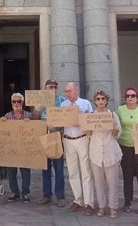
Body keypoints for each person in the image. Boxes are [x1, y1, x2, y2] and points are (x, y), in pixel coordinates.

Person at [61, 81, 95, 216]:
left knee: (86, 171)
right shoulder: (63, 105)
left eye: (69, 91)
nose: (67, 94)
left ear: (76, 91)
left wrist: (80, 119)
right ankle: (78, 200)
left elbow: (91, 121)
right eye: (66, 91)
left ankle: (89, 203)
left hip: (82, 139)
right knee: (72, 171)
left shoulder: (85, 104)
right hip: (68, 140)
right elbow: (58, 120)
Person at [32, 79, 67, 207]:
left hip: (57, 138)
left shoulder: (62, 101)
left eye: (54, 87)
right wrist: (36, 109)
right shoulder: (39, 102)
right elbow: (34, 120)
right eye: (49, 87)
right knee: (45, 169)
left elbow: (67, 119)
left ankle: (60, 197)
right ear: (45, 88)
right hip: (43, 138)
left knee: (59, 170)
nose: (52, 89)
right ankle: (46, 194)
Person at [89, 90, 122, 218]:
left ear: (106, 101)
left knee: (113, 182)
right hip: (96, 152)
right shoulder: (91, 115)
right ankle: (101, 206)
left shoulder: (112, 115)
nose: (101, 101)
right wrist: (87, 129)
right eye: (98, 99)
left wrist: (114, 129)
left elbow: (119, 132)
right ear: (95, 102)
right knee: (98, 182)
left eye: (103, 98)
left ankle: (113, 207)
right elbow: (88, 134)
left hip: (111, 152)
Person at [117, 86, 138, 214]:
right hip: (124, 146)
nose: (130, 98)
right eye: (127, 96)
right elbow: (116, 125)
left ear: (137, 98)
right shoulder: (120, 110)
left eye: (132, 96)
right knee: (127, 176)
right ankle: (127, 202)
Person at [1, 92, 32, 203]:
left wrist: (31, 122)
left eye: (19, 101)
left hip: (25, 149)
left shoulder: (28, 115)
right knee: (11, 172)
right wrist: (1, 122)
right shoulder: (7, 116)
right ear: (11, 103)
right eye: (14, 101)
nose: (16, 103)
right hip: (11, 150)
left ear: (22, 102)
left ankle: (25, 193)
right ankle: (14, 192)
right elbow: (1, 131)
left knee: (25, 171)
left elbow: (35, 129)